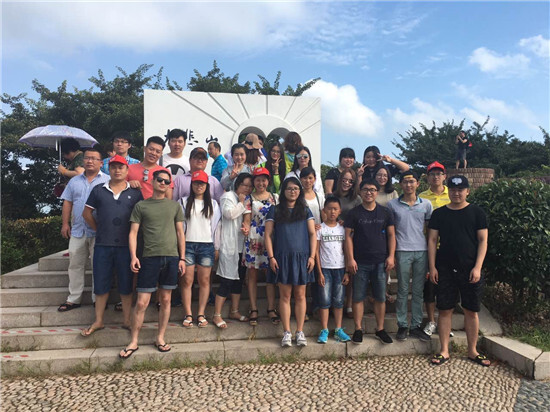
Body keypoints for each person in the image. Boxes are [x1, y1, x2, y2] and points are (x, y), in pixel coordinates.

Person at [119, 169, 186, 359]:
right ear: (152, 180)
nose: (163, 183)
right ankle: (134, 341)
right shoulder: (141, 206)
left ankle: (160, 337)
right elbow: (133, 233)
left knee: (165, 300)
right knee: (142, 302)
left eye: (166, 181)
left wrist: (182, 258)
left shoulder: (174, 206)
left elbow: (180, 233)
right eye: (160, 180)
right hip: (149, 257)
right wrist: (134, 256)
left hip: (171, 257)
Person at [428, 175, 489, 367]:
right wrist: (432, 266)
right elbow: (432, 240)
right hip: (444, 268)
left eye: (460, 190)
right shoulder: (439, 214)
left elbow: (483, 241)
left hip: (470, 268)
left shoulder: (477, 213)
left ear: (467, 191)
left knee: (471, 310)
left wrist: (478, 267)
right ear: (449, 191)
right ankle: (444, 350)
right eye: (453, 190)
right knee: (445, 310)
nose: (456, 193)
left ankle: (473, 350)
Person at [81, 155, 144, 335]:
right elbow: (86, 213)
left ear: (127, 170)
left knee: (126, 284)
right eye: (114, 167)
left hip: (126, 246)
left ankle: (127, 320)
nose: (117, 170)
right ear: (109, 169)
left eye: (121, 167)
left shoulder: (135, 192)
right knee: (101, 283)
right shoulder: (99, 190)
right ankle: (99, 320)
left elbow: (141, 217)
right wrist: (99, 229)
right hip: (103, 244)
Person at [265, 177, 316, 347]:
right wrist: (271, 257)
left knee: (300, 295)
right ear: (283, 191)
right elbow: (268, 235)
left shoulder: (305, 210)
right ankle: (286, 332)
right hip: (282, 258)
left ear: (300, 191)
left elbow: (312, 234)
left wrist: (312, 256)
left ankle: (300, 331)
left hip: (302, 258)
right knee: (285, 296)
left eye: (295, 188)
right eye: (289, 188)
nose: (292, 191)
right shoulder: (275, 210)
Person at [58, 148, 110, 312]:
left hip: (98, 232)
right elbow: (67, 202)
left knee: (98, 266)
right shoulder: (74, 181)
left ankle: (98, 299)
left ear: (101, 163)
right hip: (78, 230)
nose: (89, 161)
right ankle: (74, 298)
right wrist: (65, 224)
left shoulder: (108, 180)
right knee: (75, 265)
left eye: (94, 158)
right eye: (87, 158)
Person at [344, 178, 395, 345]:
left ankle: (380, 329)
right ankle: (358, 329)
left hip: (381, 261)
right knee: (358, 297)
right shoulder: (354, 213)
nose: (369, 192)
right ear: (360, 191)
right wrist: (350, 259)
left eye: (372, 189)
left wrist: (391, 256)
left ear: (377, 192)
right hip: (360, 261)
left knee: (380, 297)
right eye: (365, 189)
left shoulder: (385, 212)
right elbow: (348, 237)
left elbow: (391, 235)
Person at [387, 171, 433, 342]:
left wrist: (431, 253)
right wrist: (391, 253)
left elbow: (430, 231)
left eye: (412, 181)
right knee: (403, 289)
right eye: (405, 182)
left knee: (418, 290)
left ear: (418, 184)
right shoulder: (392, 205)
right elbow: (390, 231)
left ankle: (415, 325)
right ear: (400, 184)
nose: (409, 185)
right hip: (402, 250)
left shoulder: (426, 204)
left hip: (421, 250)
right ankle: (402, 325)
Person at [178, 170, 221, 328]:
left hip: (206, 245)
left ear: (207, 186)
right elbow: (179, 228)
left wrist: (216, 247)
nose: (199, 186)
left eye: (202, 183)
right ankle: (188, 313)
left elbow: (216, 227)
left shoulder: (214, 204)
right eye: (196, 183)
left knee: (204, 280)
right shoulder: (182, 202)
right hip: (188, 244)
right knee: (187, 280)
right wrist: (180, 250)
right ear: (192, 185)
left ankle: (201, 313)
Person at [213, 173, 253, 328]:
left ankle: (234, 311)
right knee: (227, 280)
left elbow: (246, 219)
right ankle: (217, 315)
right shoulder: (228, 197)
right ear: (237, 184)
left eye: (250, 186)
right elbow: (229, 214)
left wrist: (246, 227)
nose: (247, 188)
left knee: (239, 280)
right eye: (245, 185)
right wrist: (241, 203)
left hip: (241, 245)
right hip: (229, 245)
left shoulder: (247, 200)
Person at [243, 167, 280, 326]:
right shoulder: (248, 199)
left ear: (268, 181)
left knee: (270, 274)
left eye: (264, 180)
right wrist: (245, 229)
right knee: (252, 275)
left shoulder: (275, 198)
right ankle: (253, 308)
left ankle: (271, 308)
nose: (261, 183)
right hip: (254, 239)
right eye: (258, 180)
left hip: (271, 239)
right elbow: (246, 220)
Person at [419, 161, 451, 337]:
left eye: (439, 174)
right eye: (432, 174)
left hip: (449, 248)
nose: (436, 177)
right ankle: (431, 321)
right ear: (428, 177)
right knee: (430, 286)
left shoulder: (452, 194)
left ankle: (445, 322)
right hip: (428, 248)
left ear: (444, 176)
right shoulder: (422, 197)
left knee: (447, 287)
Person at [315, 197, 351, 344]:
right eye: (329, 209)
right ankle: (324, 329)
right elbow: (316, 251)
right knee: (324, 300)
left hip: (340, 269)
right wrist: (319, 272)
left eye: (335, 209)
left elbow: (346, 250)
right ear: (324, 210)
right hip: (325, 268)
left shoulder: (343, 228)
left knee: (339, 300)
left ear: (340, 211)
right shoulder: (320, 229)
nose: (332, 212)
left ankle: (338, 329)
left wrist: (347, 271)